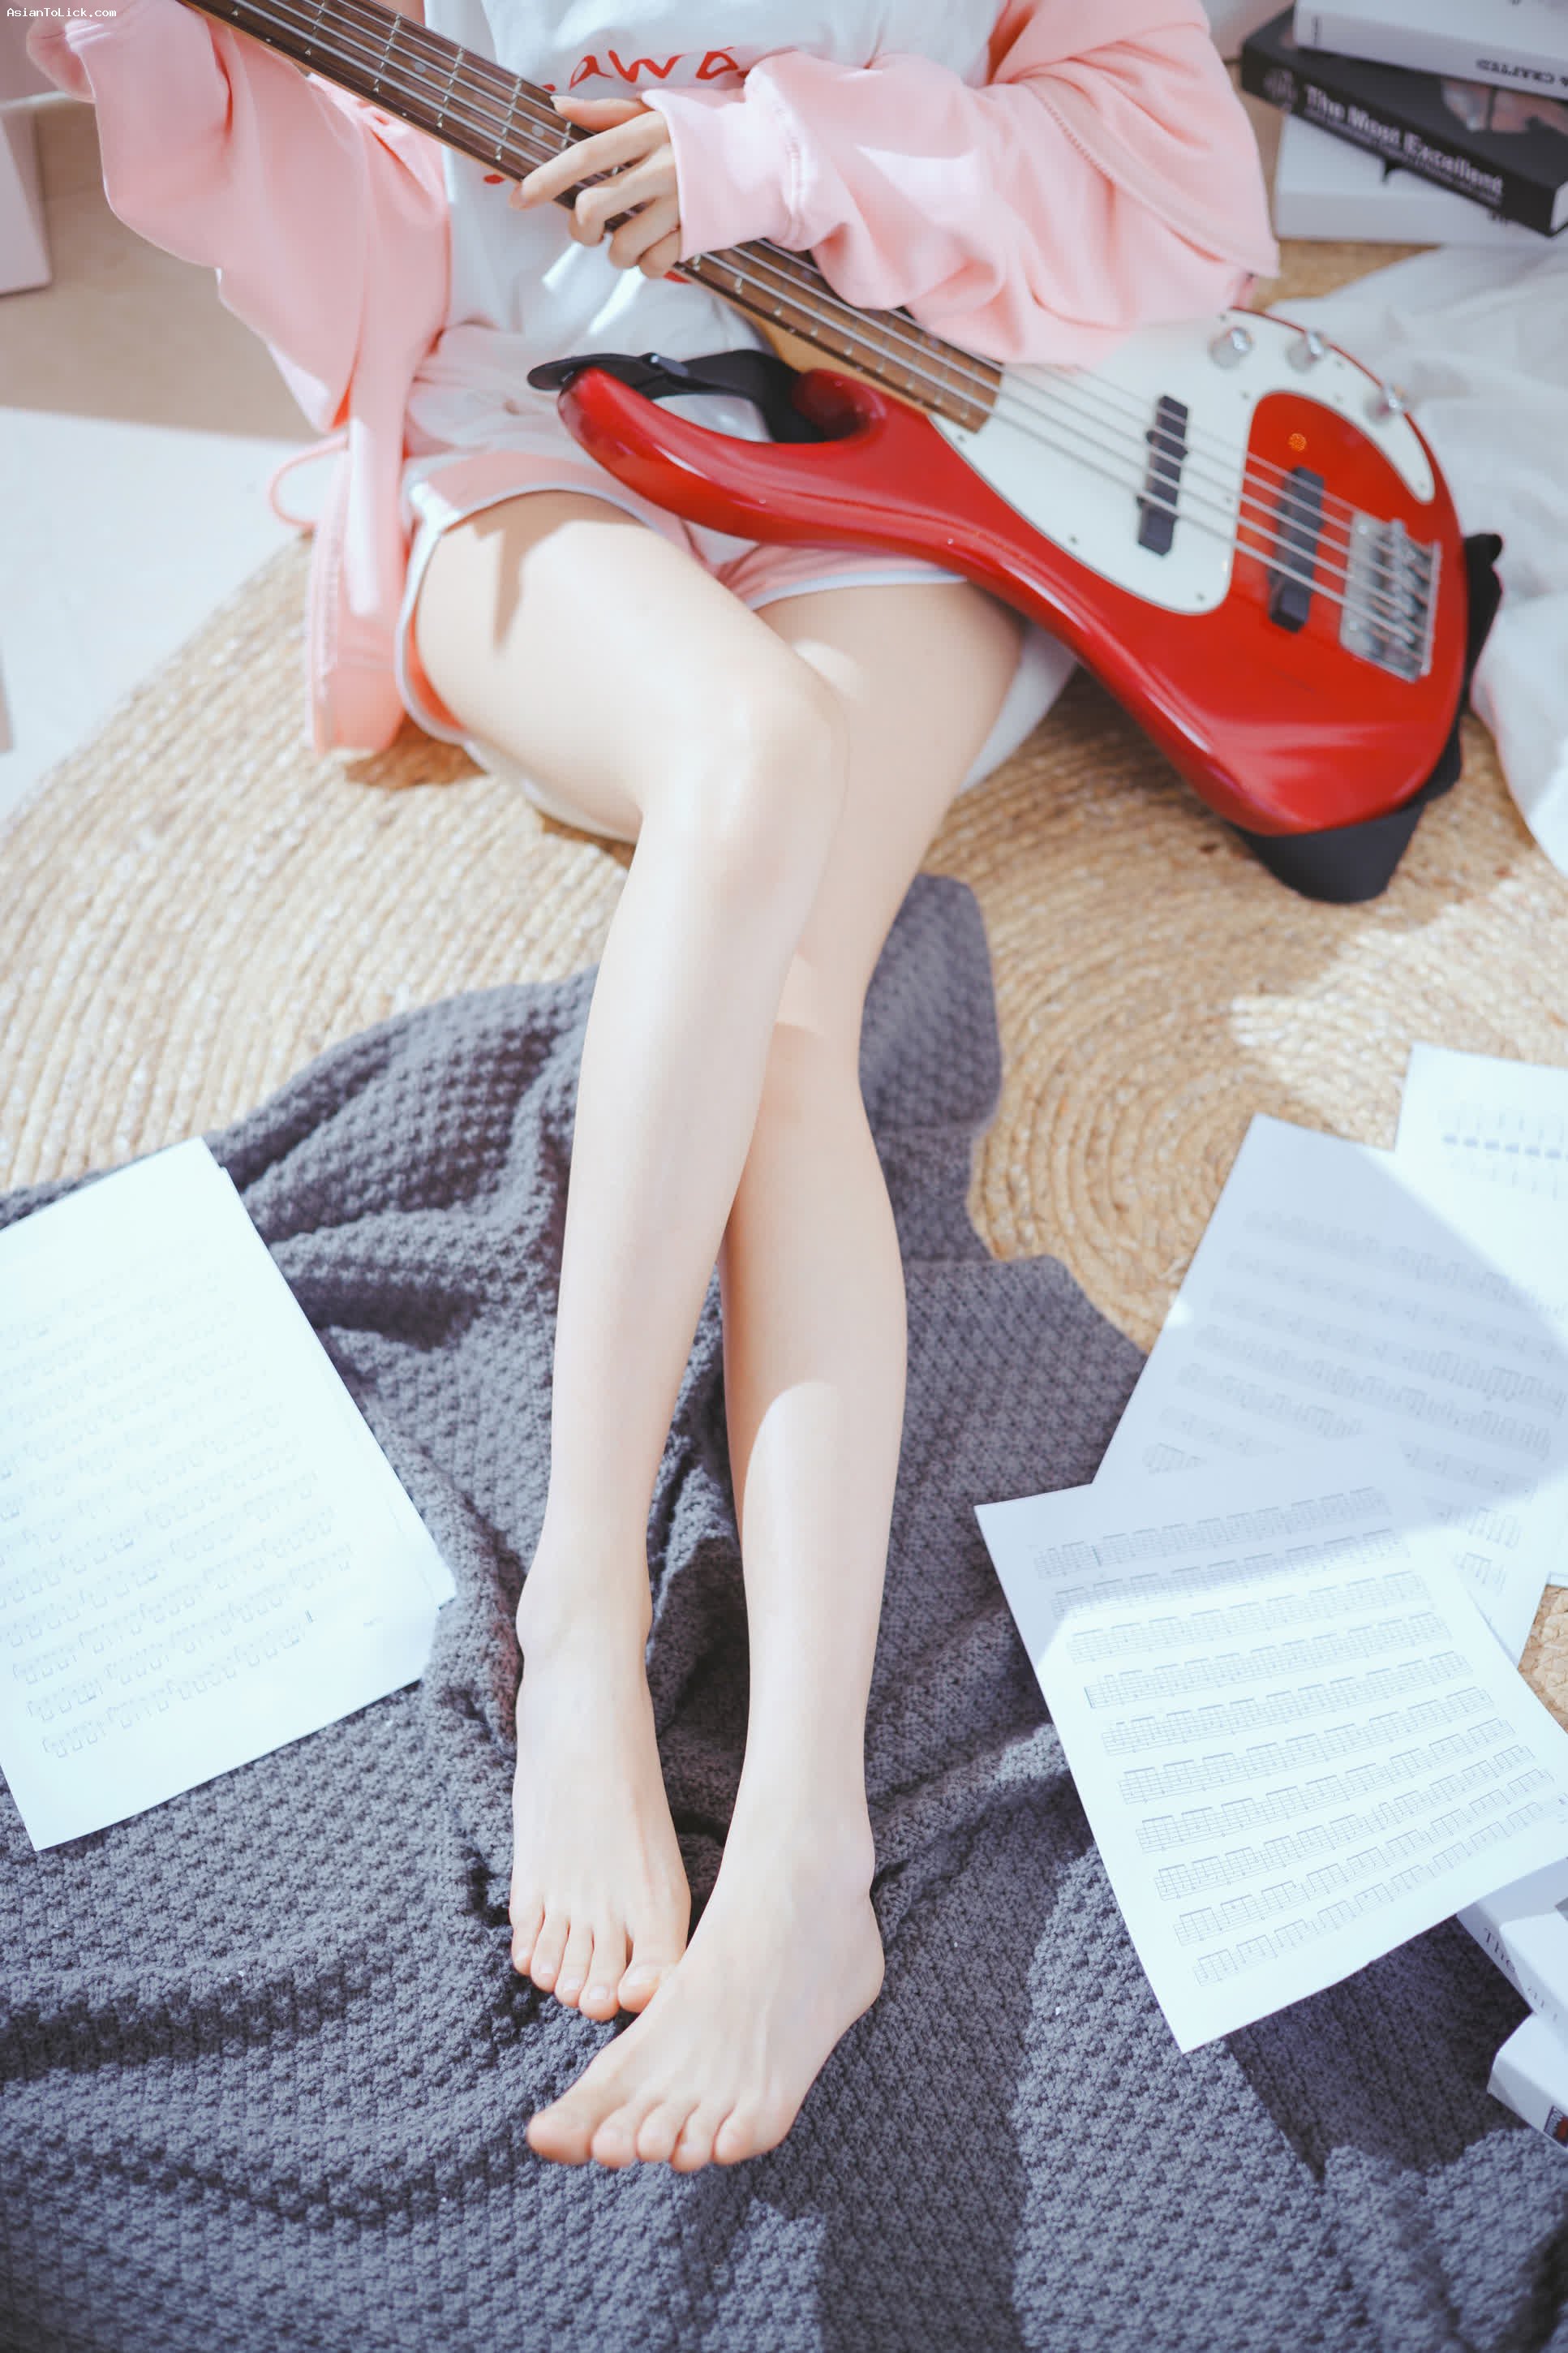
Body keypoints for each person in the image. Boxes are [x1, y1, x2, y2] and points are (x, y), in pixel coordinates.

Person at [30, 0, 1277, 2174]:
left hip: (894, 449)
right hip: (524, 450)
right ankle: (581, 1619)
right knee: (746, 753)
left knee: (788, 1020)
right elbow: (305, 209)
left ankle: (805, 1845)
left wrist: (779, 154)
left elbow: (1178, 190)